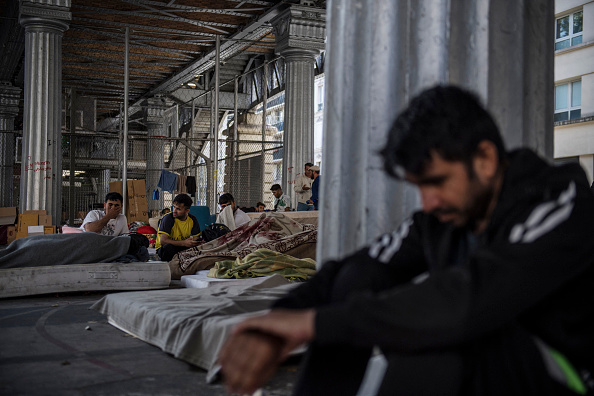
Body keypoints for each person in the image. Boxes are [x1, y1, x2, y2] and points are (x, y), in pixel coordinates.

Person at [218, 86, 594, 396]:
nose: (428, 202)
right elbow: (355, 269)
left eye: (437, 182)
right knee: (355, 284)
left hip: (563, 374)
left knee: (435, 333)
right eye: (420, 187)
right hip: (489, 366)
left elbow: (468, 298)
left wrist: (315, 324)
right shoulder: (444, 218)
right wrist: (275, 322)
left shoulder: (558, 199)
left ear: (484, 159)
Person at [156, 193, 201, 261]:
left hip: (182, 247)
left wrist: (197, 243)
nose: (174, 211)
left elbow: (196, 239)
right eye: (174, 207)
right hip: (165, 248)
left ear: (187, 211)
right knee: (168, 248)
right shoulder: (168, 218)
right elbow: (163, 241)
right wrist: (184, 243)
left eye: (178, 209)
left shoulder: (193, 220)